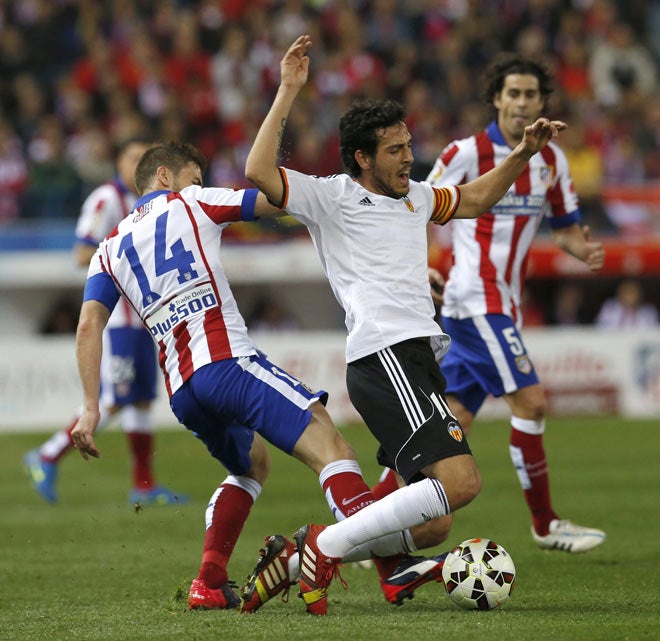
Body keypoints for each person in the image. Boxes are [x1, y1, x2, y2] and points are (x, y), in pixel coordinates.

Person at [241, 35, 570, 615]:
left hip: (418, 360)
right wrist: (289, 89)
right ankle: (326, 544)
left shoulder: (417, 197)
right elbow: (258, 168)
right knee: (463, 482)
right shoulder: (330, 198)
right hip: (384, 356)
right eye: (395, 150)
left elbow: (472, 200)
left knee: (434, 524)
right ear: (363, 158)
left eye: (408, 144)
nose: (408, 157)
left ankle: (293, 560)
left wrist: (520, 154)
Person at [69, 141, 437, 613]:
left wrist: (91, 407)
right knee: (330, 444)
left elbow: (88, 325)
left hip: (183, 390)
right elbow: (272, 198)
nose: (201, 186)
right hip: (227, 363)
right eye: (195, 177)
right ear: (165, 177)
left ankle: (208, 580)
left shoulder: (109, 248)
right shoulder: (193, 201)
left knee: (251, 466)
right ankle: (393, 569)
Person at [389, 52, 606, 554]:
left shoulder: (552, 159)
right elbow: (415, 208)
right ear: (496, 99)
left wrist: (584, 249)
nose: (523, 102)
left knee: (449, 425)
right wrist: (423, 263)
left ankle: (373, 520)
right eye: (514, 93)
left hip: (501, 304)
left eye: (531, 94)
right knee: (531, 401)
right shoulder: (466, 153)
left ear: (541, 101)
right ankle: (546, 523)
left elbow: (566, 229)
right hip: (473, 298)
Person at [24, 138, 187, 507]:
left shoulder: (149, 204)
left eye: (143, 158)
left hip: (146, 319)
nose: (137, 163)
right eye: (131, 156)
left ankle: (143, 484)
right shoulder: (107, 199)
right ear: (118, 161)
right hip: (119, 320)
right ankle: (47, 454)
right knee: (115, 397)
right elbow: (82, 252)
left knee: (142, 400)